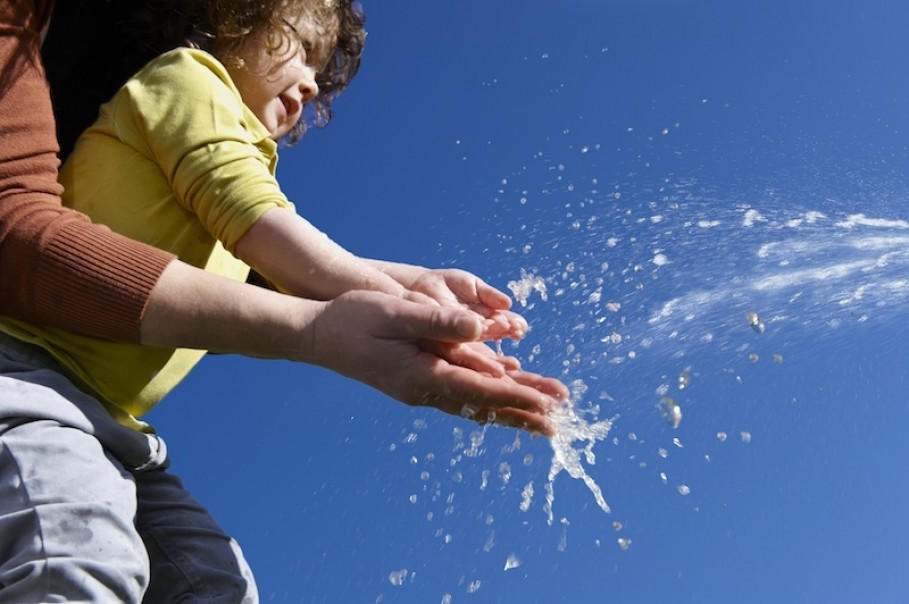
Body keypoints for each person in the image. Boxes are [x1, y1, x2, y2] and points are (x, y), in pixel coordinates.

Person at [0, 0, 569, 601]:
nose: (309, 84)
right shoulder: (188, 78)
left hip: (117, 424)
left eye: (321, 77)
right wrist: (408, 311)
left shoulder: (223, 143)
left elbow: (257, 270)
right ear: (232, 23)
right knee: (73, 564)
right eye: (298, 47)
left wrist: (411, 283)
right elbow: (260, 224)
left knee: (218, 587)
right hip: (27, 374)